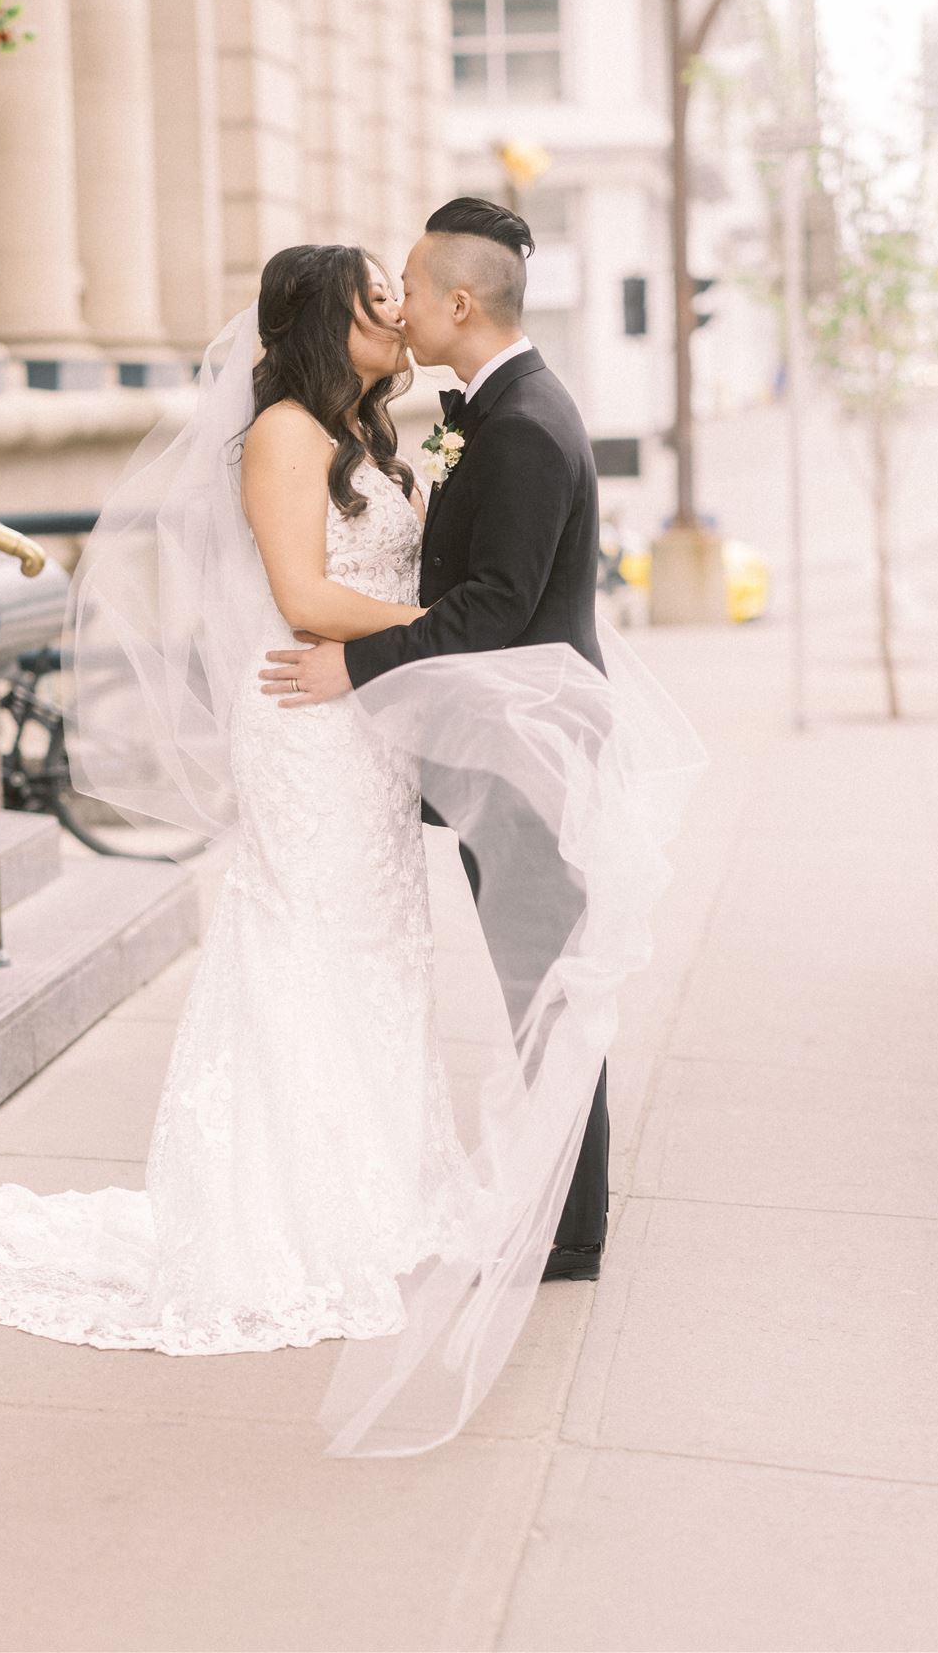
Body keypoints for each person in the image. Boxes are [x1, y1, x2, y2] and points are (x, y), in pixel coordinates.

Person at [0, 225, 701, 1458]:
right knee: (308, 940)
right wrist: (439, 630)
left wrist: (429, 639)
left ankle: (379, 1195)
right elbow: (302, 595)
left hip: (363, 715)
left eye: (402, 295)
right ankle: (286, 1213)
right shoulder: (288, 432)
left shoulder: (379, 434)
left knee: (380, 950)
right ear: (318, 323)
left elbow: (465, 582)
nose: (393, 316)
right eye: (370, 302)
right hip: (310, 712)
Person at [258, 198, 610, 1282]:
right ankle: (549, 1206)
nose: (398, 307)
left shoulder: (522, 428)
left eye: (407, 287)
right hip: (493, 749)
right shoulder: (487, 412)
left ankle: (570, 1228)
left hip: (525, 756)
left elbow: (493, 606)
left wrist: (352, 663)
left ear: (459, 300)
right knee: (532, 982)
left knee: (548, 987)